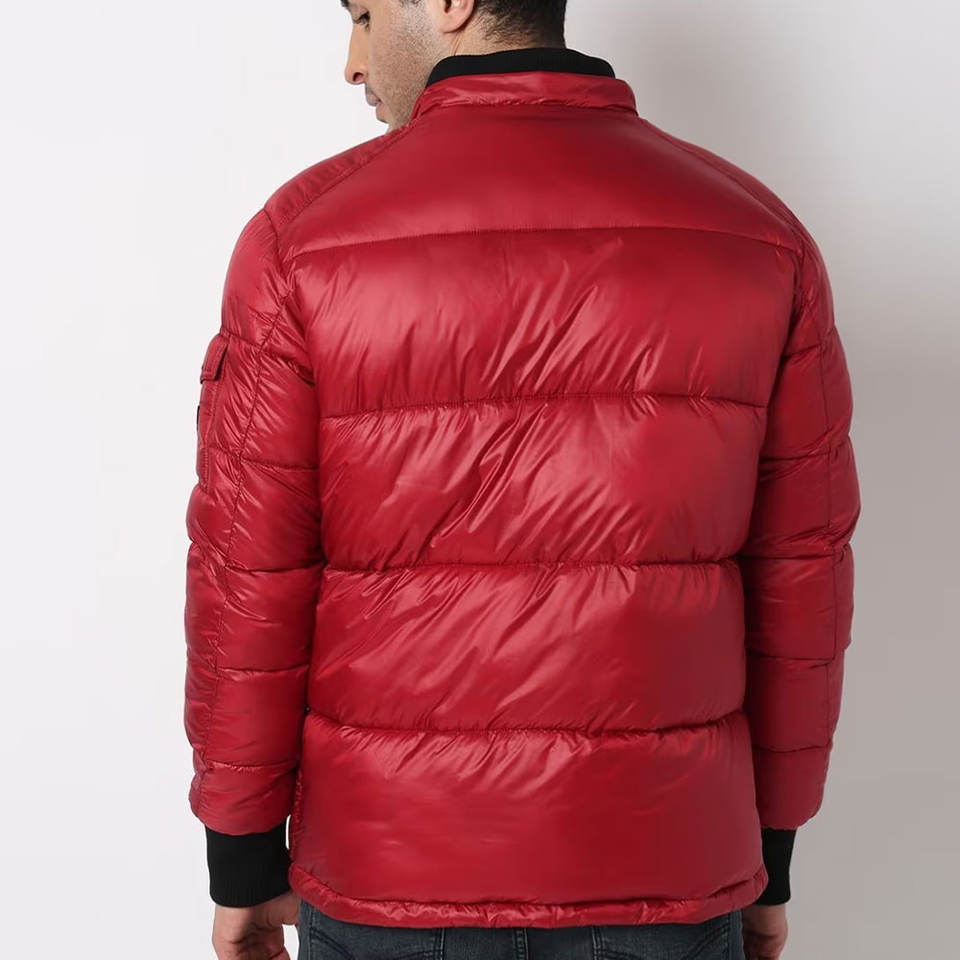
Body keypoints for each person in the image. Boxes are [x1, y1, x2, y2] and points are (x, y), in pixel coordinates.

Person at [182, 1, 861, 959]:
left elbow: (246, 579)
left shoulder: (302, 239)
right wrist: (770, 856)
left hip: (393, 872)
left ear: (450, 2)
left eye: (366, 14)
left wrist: (243, 859)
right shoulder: (759, 236)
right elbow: (803, 585)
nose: (353, 61)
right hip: (669, 868)